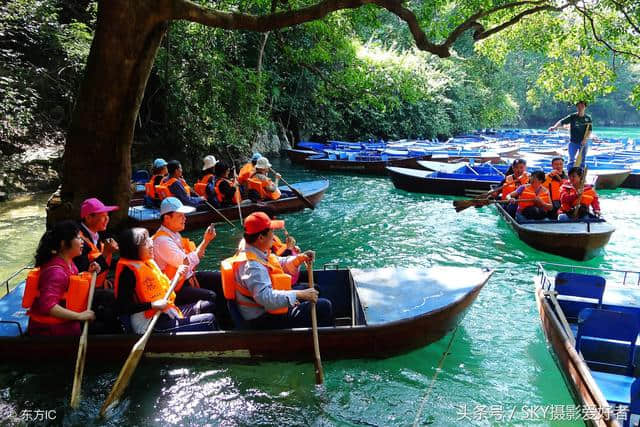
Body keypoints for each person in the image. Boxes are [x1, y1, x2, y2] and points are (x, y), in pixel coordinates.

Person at [221, 212, 333, 330]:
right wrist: (299, 294)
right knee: (323, 306)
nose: (274, 235)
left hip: (266, 307)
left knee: (315, 289)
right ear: (260, 237)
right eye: (272, 232)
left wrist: (300, 258)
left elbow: (278, 262)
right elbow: (265, 298)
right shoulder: (252, 266)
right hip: (261, 319)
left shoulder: (254, 249)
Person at [114, 227, 216, 334]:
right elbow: (123, 307)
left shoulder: (148, 263)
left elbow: (164, 289)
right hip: (149, 324)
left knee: (208, 305)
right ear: (133, 249)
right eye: (145, 242)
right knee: (209, 320)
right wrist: (153, 305)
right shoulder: (128, 273)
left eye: (149, 239)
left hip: (165, 313)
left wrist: (178, 275)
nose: (151, 243)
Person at [152, 197, 229, 323]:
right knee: (210, 296)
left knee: (221, 278)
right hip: (175, 289)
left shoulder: (174, 234)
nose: (185, 218)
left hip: (186, 279)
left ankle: (229, 321)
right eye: (180, 216)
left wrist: (206, 241)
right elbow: (186, 262)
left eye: (184, 215)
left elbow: (191, 259)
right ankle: (221, 327)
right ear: (167, 218)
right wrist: (205, 241)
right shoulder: (162, 241)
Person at [25, 220, 98, 336]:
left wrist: (89, 272)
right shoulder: (56, 272)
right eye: (78, 238)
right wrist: (79, 316)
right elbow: (48, 306)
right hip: (51, 333)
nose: (82, 242)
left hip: (65, 326)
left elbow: (69, 285)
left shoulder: (68, 263)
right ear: (64, 244)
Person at [548, 101, 593, 169]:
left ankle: (581, 175)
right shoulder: (573, 117)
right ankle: (570, 173)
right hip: (573, 142)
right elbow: (562, 122)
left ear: (585, 107)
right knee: (571, 160)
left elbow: (589, 130)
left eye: (582, 106)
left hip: (583, 142)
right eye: (579, 106)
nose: (580, 108)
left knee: (582, 160)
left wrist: (585, 139)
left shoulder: (588, 118)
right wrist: (554, 127)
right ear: (577, 107)